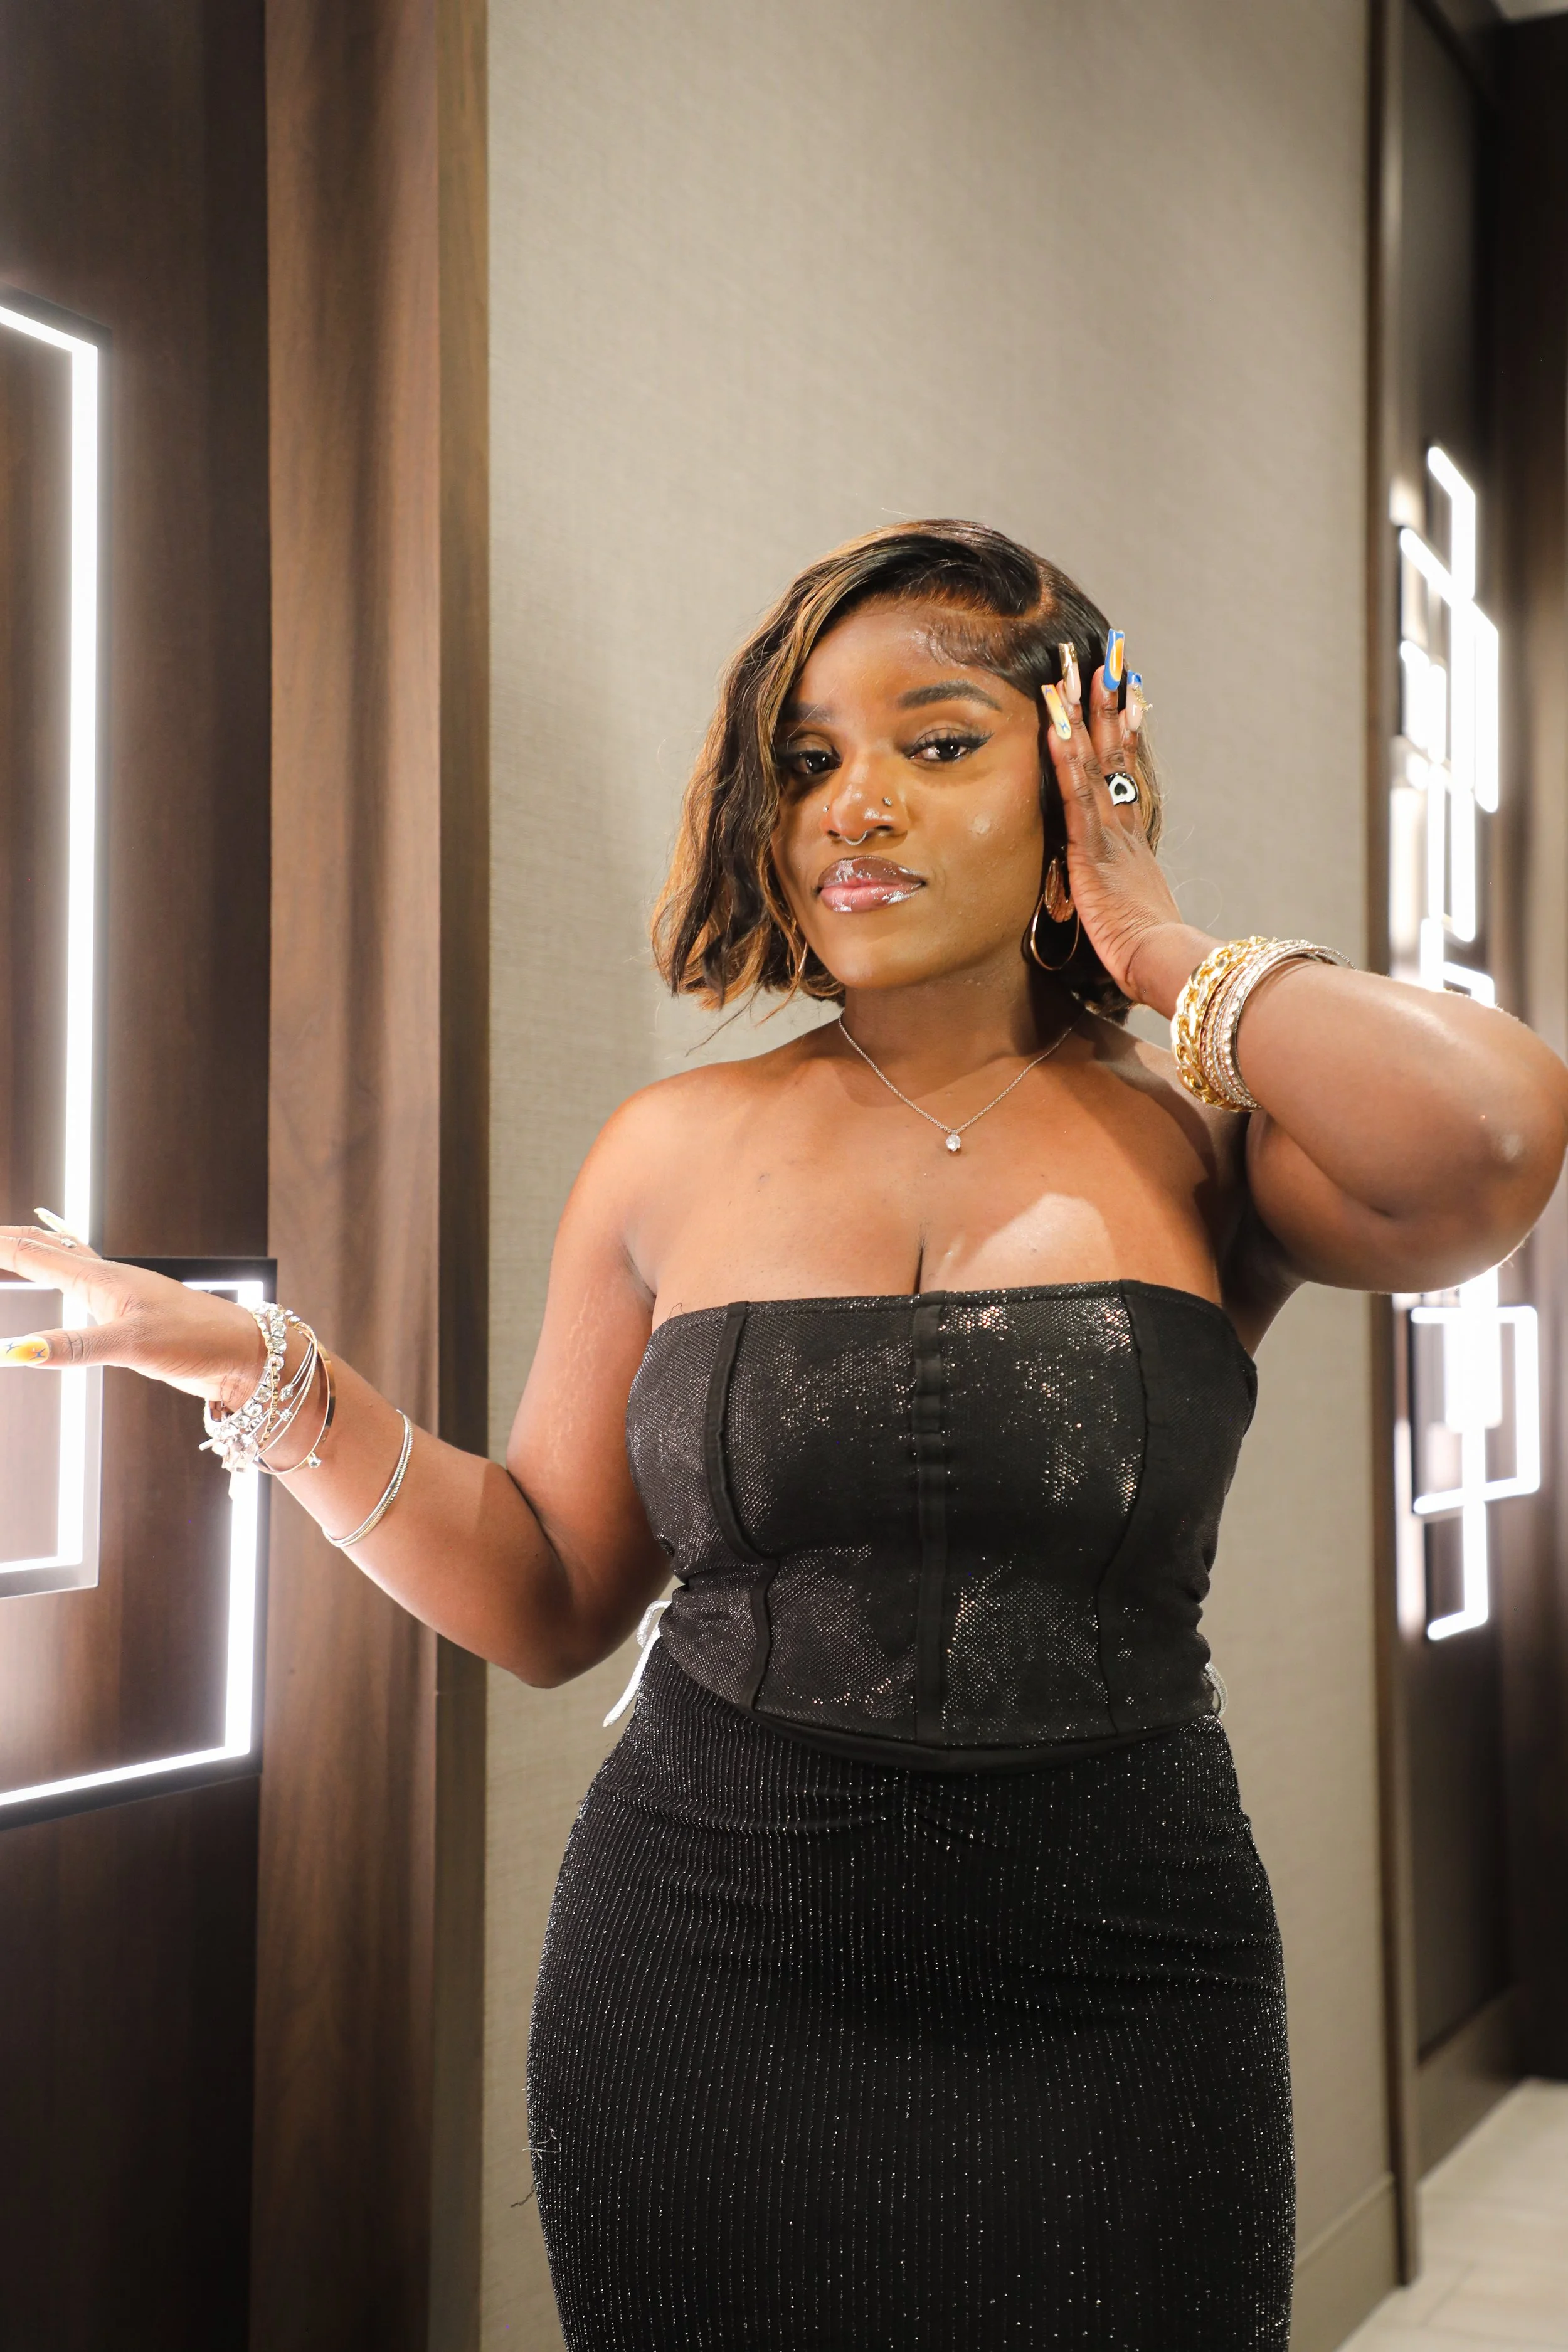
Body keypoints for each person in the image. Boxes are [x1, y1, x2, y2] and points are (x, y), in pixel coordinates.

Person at [4, 519, 1565, 2349]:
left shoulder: (1202, 1139)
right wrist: (251, 1367)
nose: (856, 805)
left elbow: (1487, 1138)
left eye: (938, 740)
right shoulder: (671, 1149)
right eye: (808, 760)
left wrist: (1150, 935)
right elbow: (546, 1589)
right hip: (702, 1983)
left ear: (1077, 767)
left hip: (1129, 1986)